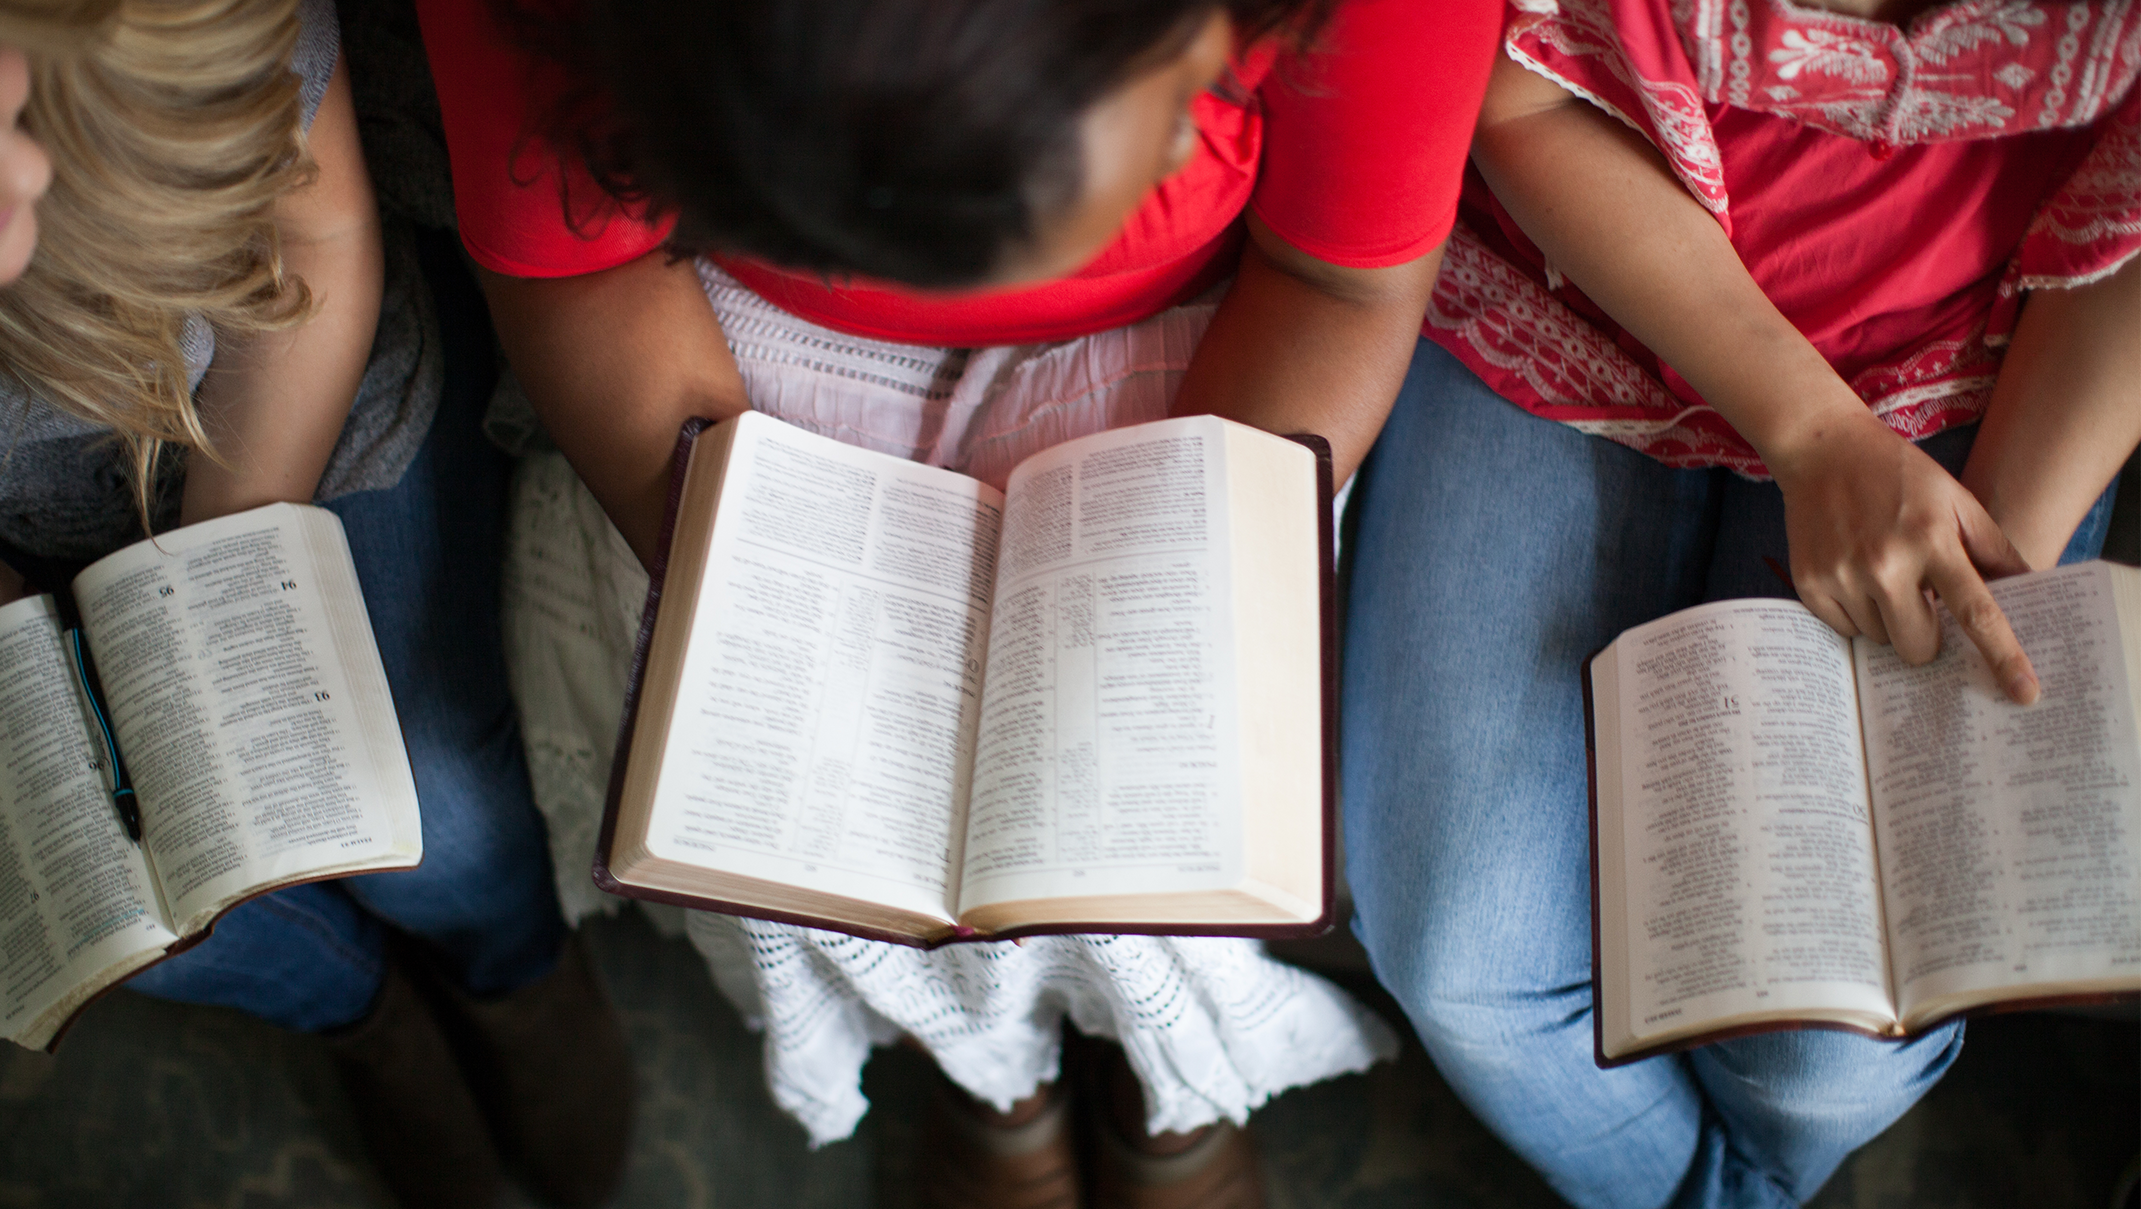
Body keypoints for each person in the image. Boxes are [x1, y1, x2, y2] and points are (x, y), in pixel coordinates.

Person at [412, 0, 1497, 1202]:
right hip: (722, 362)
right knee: (805, 814)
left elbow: (1338, 281)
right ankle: (993, 1077)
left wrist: (1167, 592)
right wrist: (771, 585)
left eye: (1203, 84)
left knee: (1173, 799)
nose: (1196, 136)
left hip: (1225, 355)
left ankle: (1164, 1076)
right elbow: (582, 269)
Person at [1340, 0, 2141, 1204]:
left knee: (1826, 1058)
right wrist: (1806, 427)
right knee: (1465, 969)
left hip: (1978, 355)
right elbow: (1518, 89)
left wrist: (1987, 550)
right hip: (1568, 288)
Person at [0, 1, 630, 1204]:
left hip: (286, 408)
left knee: (437, 799)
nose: (21, 174)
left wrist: (204, 601)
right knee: (117, 923)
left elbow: (318, 233)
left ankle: (511, 970)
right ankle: (361, 1014)